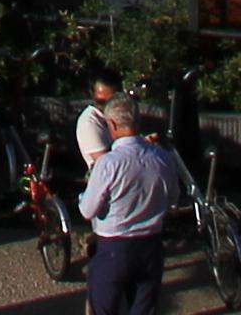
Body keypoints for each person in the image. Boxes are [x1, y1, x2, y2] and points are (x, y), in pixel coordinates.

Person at [77, 99, 184, 315]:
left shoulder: (108, 164)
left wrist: (83, 196)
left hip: (114, 249)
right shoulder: (164, 158)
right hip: (151, 248)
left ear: (113, 125)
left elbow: (87, 210)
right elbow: (173, 199)